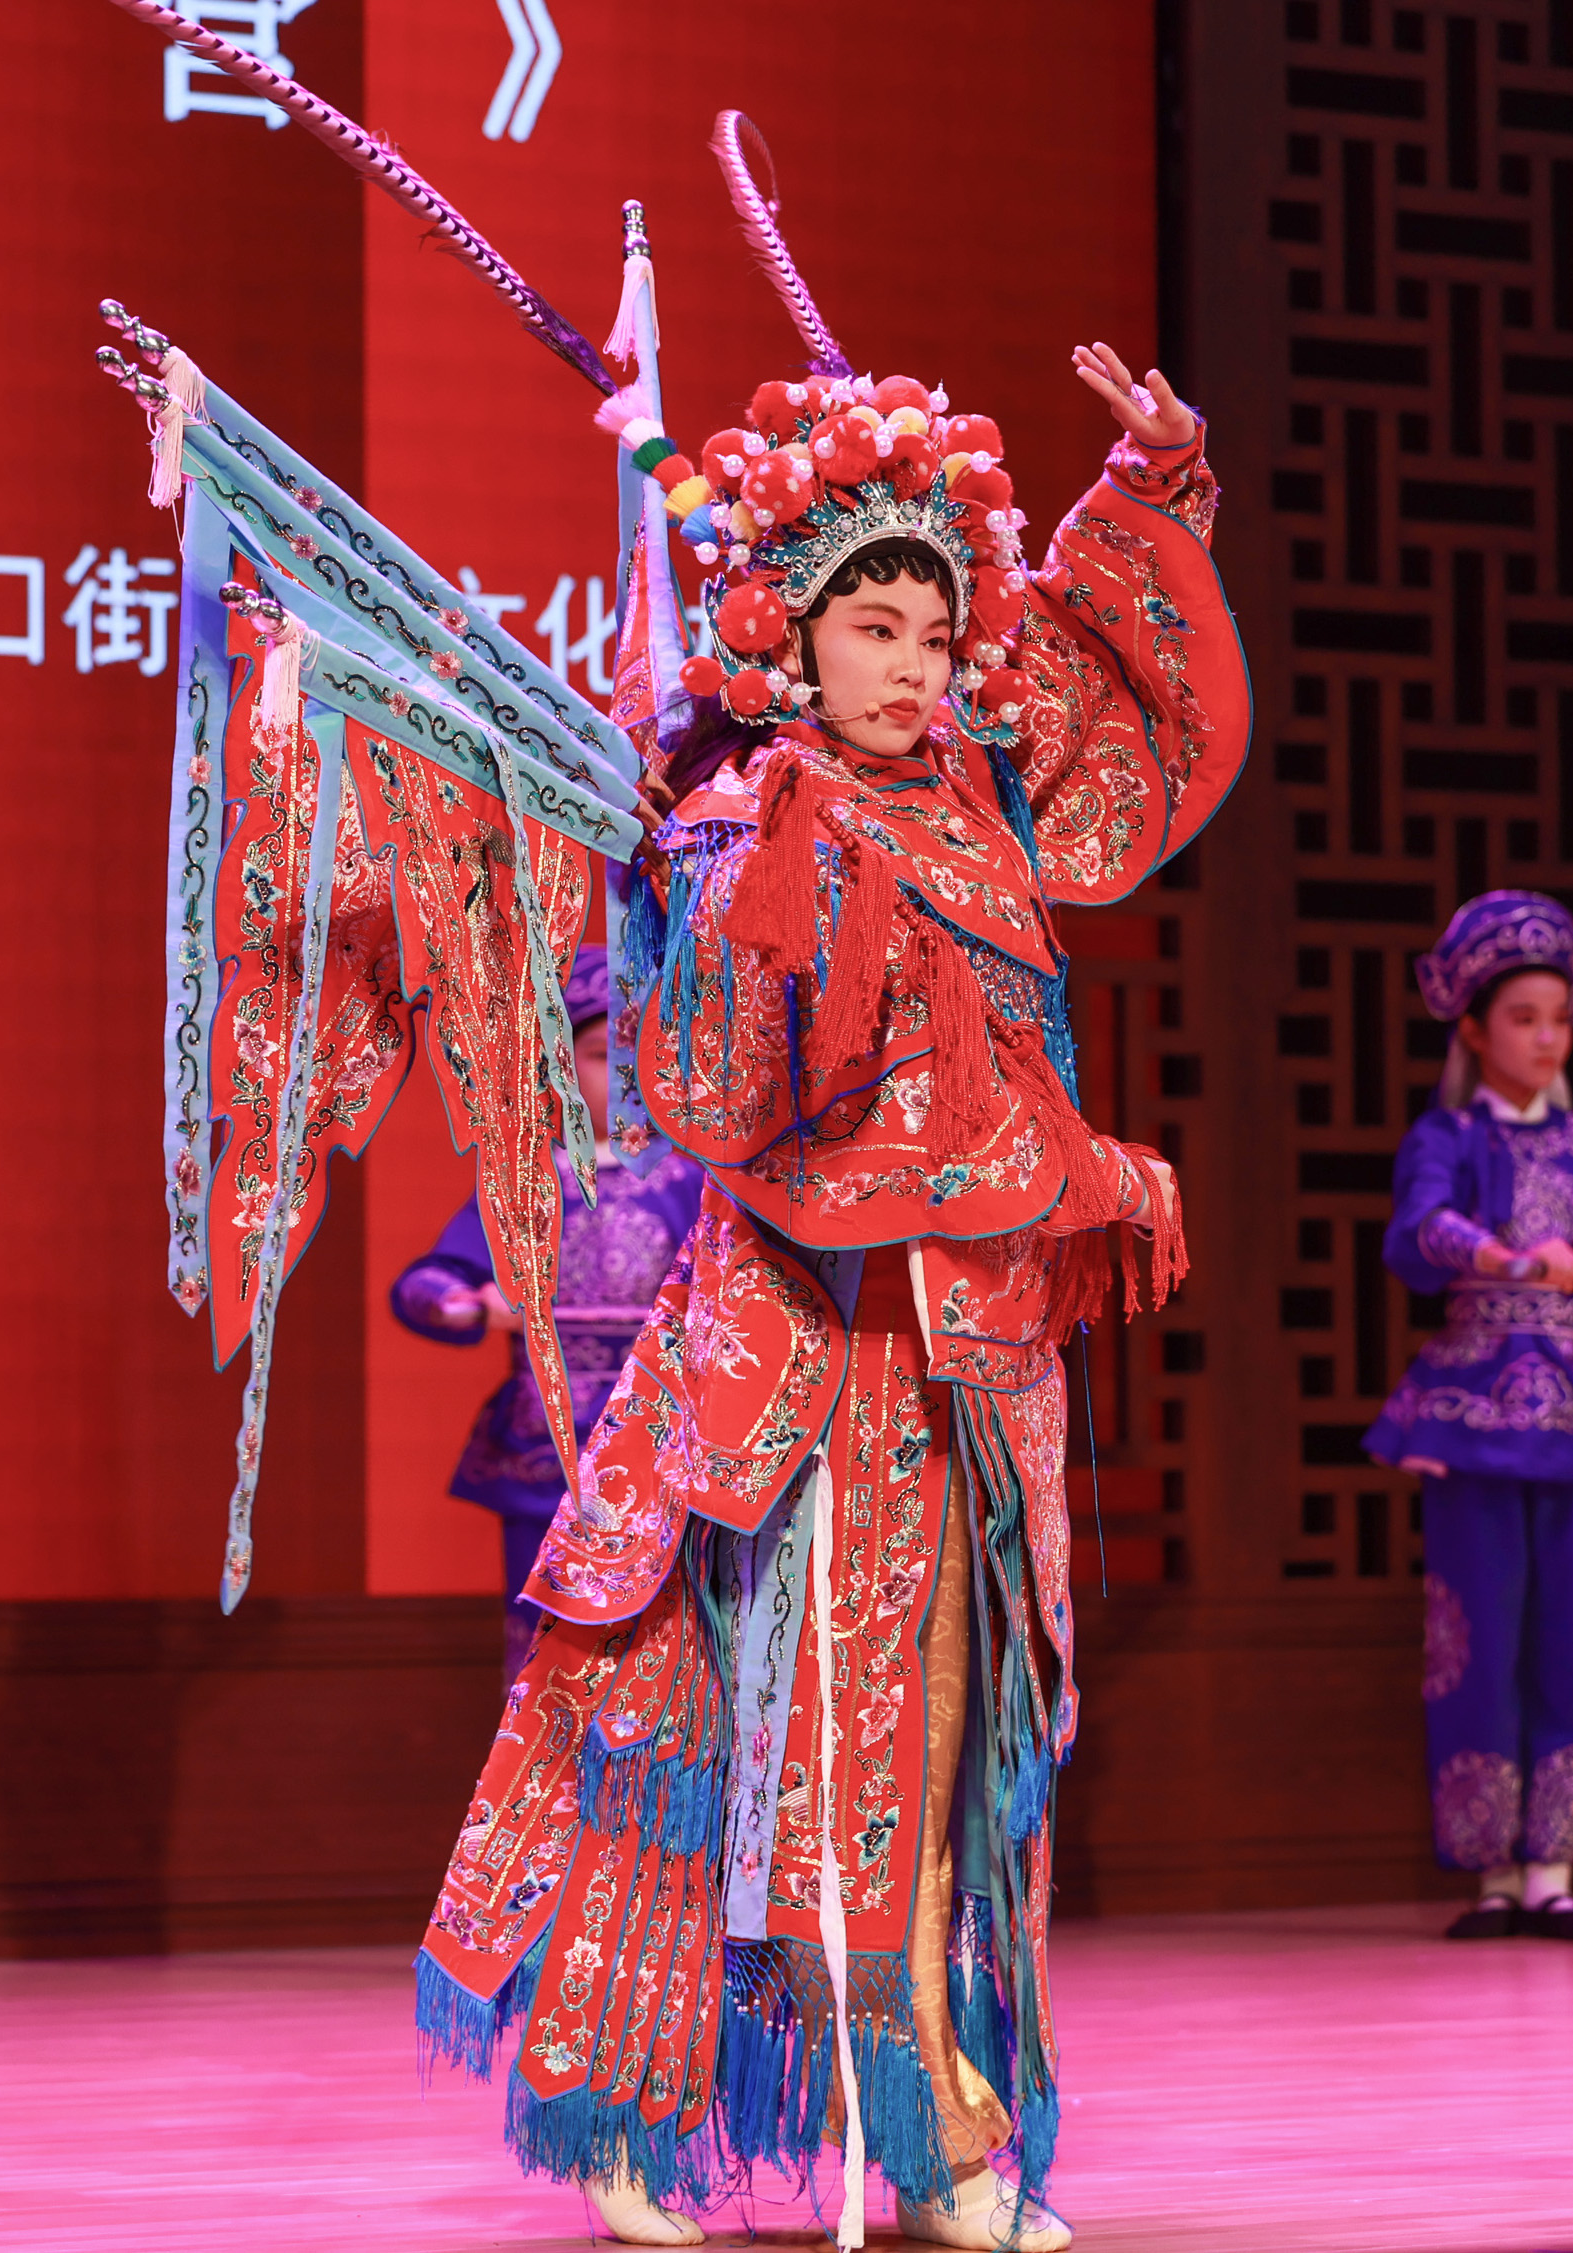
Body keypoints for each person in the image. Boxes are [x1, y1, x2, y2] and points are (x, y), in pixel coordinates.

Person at [414, 345, 1242, 2251]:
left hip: (960, 1368)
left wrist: (1150, 489)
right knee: (698, 1733)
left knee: (937, 1762)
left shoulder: (975, 805)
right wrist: (1058, 1168)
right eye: (872, 628)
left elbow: (1126, 743)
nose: (913, 666)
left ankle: (935, 2126)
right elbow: (748, 1117)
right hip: (789, 1365)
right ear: (787, 635)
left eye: (934, 633)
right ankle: (627, 2108)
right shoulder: (750, 821)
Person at [1361, 891, 1573, 1947]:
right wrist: (1512, 1261)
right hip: (1469, 1428)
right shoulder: (1448, 1136)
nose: (1547, 1037)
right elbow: (1421, 1229)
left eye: (1559, 1018)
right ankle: (1491, 1876)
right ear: (1472, 1030)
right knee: (1474, 1644)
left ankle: (1556, 1872)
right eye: (1522, 1018)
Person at [391, 945, 706, 1684]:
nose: (623, 1076)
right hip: (547, 1435)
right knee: (542, 1632)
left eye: (641, 1056)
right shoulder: (527, 1184)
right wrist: (462, 1302)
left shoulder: (697, 1182)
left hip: (667, 1434)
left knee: (665, 1639)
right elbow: (430, 1279)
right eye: (600, 1056)